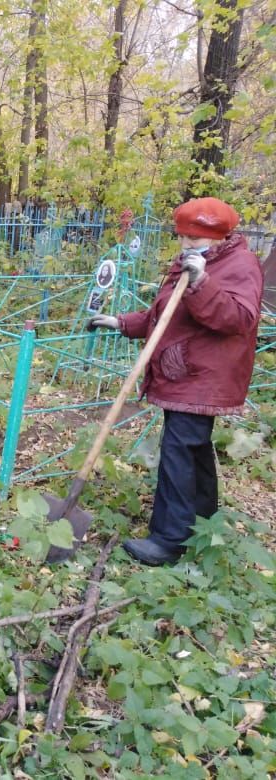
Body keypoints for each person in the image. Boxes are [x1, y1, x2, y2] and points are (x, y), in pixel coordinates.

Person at [89, 197, 262, 566]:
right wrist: (122, 323)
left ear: (218, 237)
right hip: (184, 373)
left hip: (203, 377)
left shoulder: (238, 265)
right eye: (182, 237)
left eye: (194, 238)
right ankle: (203, 523)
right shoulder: (195, 262)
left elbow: (238, 319)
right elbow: (165, 315)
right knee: (193, 449)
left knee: (179, 452)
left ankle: (170, 539)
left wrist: (202, 283)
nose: (185, 245)